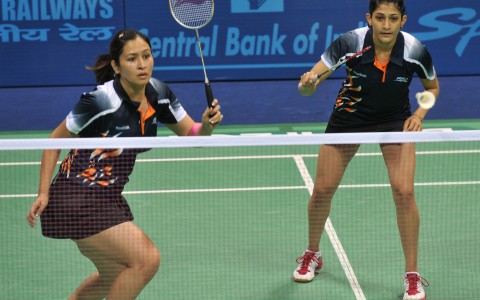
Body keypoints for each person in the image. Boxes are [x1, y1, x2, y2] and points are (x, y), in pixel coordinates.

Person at [26, 29, 223, 299]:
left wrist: (208, 126)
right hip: (76, 197)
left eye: (146, 56)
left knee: (116, 276)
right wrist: (43, 192)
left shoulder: (159, 93)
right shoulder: (101, 99)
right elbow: (53, 141)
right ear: (117, 66)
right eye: (132, 59)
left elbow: (193, 134)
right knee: (147, 259)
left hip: (106, 197)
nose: (142, 64)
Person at [292, 1, 439, 299]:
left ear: (403, 20)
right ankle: (312, 253)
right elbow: (308, 86)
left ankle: (412, 274)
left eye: (393, 19)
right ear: (369, 18)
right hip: (349, 118)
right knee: (322, 190)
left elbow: (432, 89)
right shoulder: (350, 43)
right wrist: (307, 83)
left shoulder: (415, 50)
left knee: (404, 191)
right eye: (380, 18)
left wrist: (419, 115)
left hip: (395, 120)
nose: (386, 25)